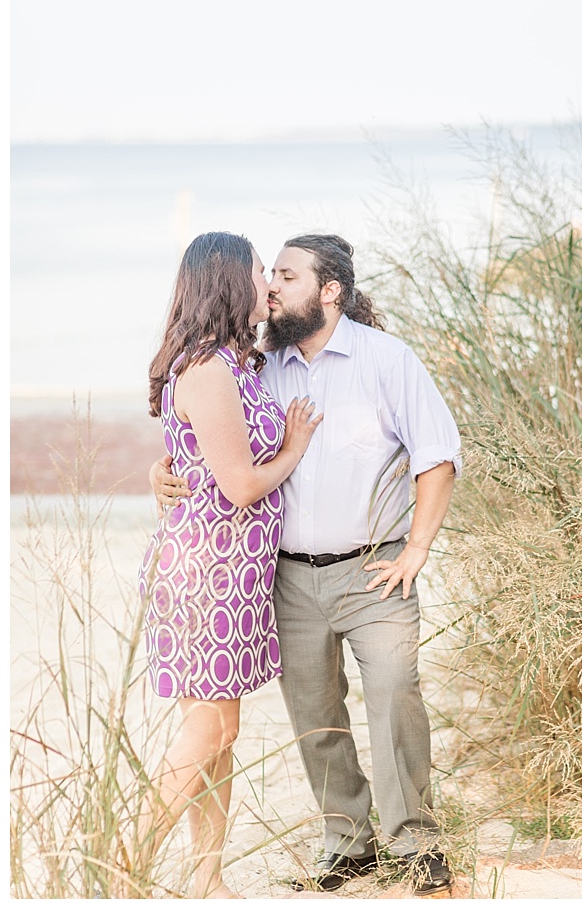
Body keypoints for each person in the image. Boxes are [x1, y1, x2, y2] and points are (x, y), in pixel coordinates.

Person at [151, 233, 460, 896]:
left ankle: (415, 844)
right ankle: (347, 845)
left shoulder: (387, 360)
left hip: (373, 570)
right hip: (279, 576)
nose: (269, 287)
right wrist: (163, 470)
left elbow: (437, 456)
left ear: (330, 291)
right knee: (314, 716)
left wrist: (417, 549)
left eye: (284, 276)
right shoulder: (262, 365)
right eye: (267, 275)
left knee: (395, 698)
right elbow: (211, 443)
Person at [137, 232, 323, 898]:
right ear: (225, 284)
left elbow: (195, 458)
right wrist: (297, 445)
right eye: (255, 272)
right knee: (211, 726)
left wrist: (162, 470)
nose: (265, 284)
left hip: (233, 575)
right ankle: (128, 858)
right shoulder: (210, 372)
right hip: (206, 574)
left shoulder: (234, 362)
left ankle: (205, 882)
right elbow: (241, 485)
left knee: (220, 734)